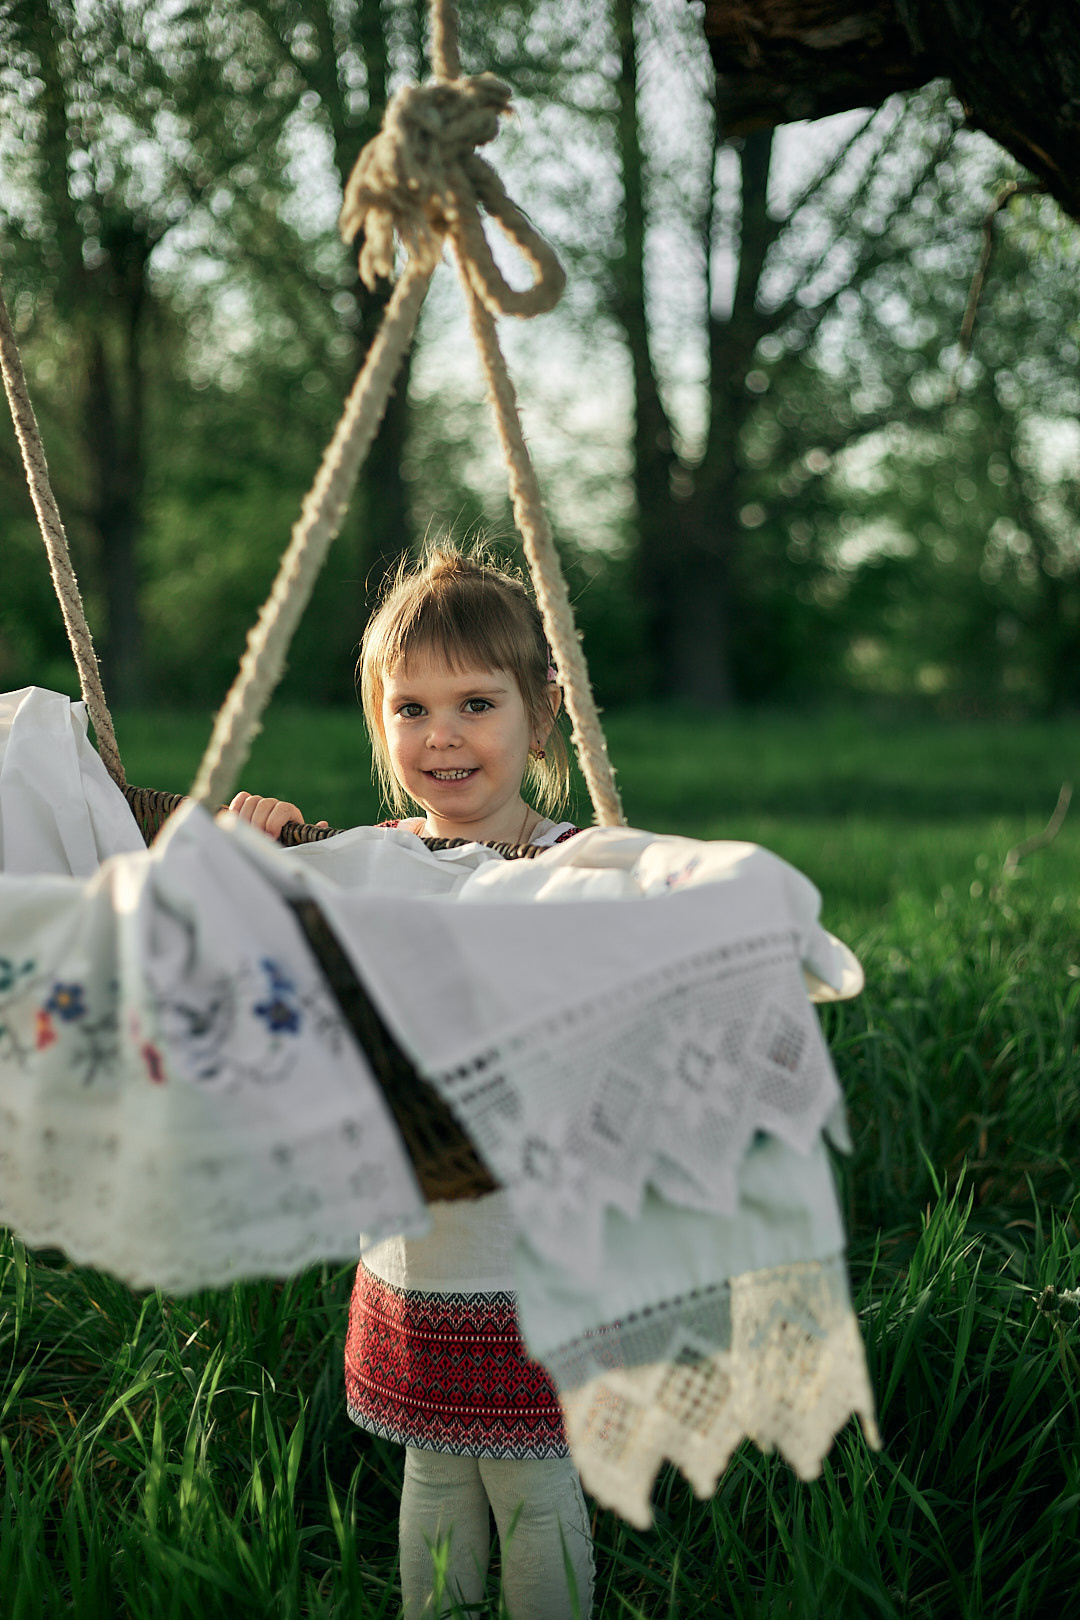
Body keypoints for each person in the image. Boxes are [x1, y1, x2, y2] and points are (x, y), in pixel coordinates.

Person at [229, 545, 595, 1620]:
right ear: (380, 722)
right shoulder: (369, 863)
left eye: (477, 703)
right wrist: (257, 850)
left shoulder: (580, 867)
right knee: (434, 1469)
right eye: (411, 708)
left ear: (542, 709)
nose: (442, 736)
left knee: (531, 1478)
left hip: (534, 1251)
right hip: (409, 1247)